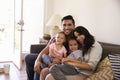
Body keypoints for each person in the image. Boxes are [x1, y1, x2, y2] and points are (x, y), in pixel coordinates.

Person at [24, 15, 75, 80]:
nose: (67, 27)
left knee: (41, 66)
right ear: (61, 26)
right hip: (48, 58)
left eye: (69, 25)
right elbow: (45, 50)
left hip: (59, 61)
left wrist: (59, 60)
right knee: (28, 58)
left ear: (74, 26)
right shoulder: (57, 37)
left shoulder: (74, 40)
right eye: (64, 25)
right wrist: (37, 61)